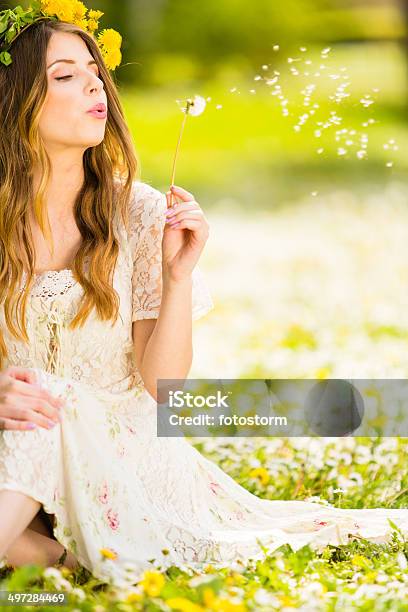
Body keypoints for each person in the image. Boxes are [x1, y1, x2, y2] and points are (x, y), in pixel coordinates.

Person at [0, 3, 407, 585]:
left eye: (95, 70)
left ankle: (59, 554)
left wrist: (177, 279)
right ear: (12, 101)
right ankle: (63, 560)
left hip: (126, 458)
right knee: (36, 405)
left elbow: (162, 388)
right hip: (17, 447)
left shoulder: (137, 211)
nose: (95, 84)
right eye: (65, 74)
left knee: (49, 398)